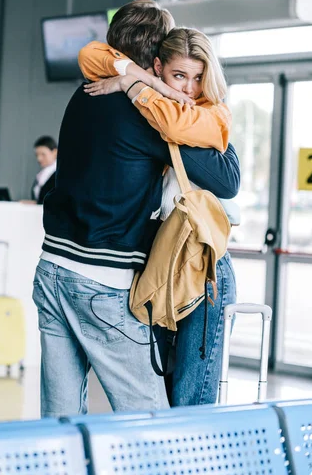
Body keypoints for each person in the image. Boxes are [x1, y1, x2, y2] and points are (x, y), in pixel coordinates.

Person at [32, 0, 240, 417]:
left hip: (50, 270)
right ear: (158, 55)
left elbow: (94, 55)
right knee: (149, 420)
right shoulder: (145, 113)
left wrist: (133, 80)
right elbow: (226, 178)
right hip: (100, 283)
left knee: (60, 418)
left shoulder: (84, 94)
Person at [80, 25, 239, 406]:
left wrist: (133, 86)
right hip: (165, 261)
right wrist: (138, 78)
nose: (187, 89)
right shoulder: (157, 100)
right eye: (178, 76)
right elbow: (89, 55)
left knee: (192, 394)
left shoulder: (211, 113)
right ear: (157, 66)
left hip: (205, 265)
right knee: (161, 388)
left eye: (198, 78)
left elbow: (173, 125)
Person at [31, 136, 58, 205]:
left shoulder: (60, 174)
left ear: (55, 152)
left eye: (43, 154)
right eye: (37, 155)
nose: (39, 159)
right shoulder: (40, 175)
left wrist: (36, 203)